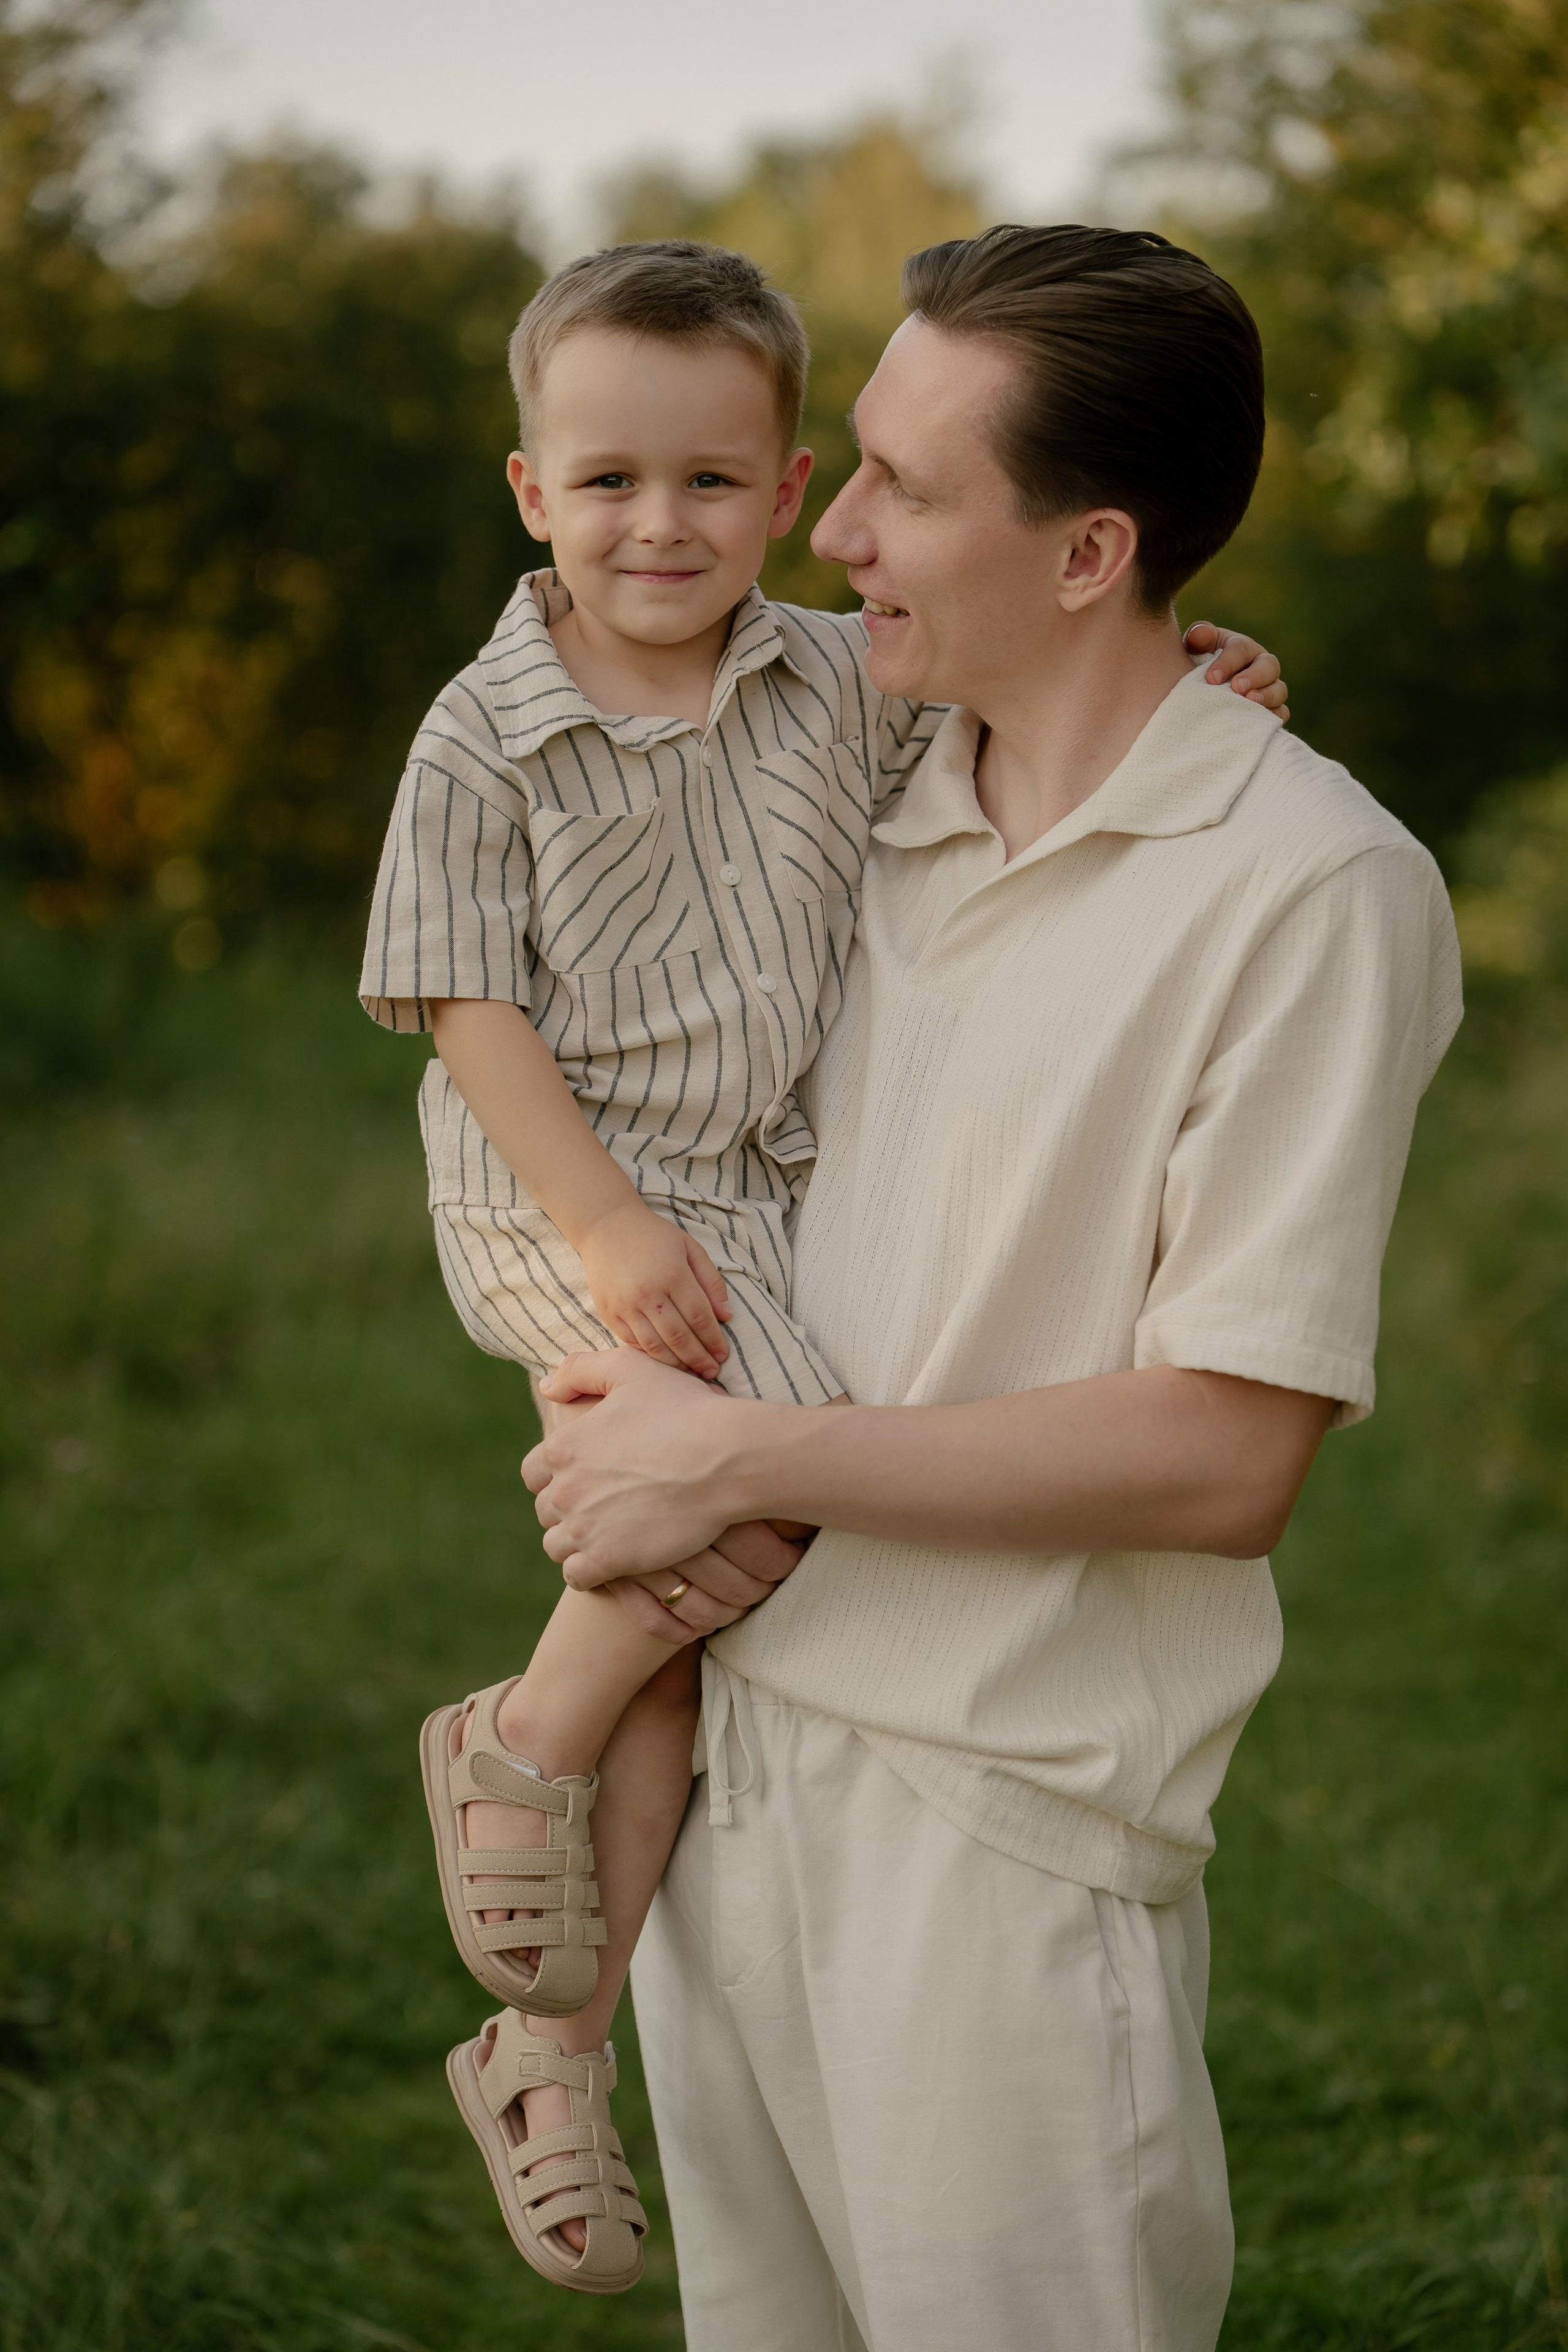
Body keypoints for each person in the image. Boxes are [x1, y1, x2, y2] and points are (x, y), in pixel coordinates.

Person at [523, 225, 1464, 2351]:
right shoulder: (829, 797)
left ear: (1088, 549)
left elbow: (1230, 1452)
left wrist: (731, 1456)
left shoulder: (1313, 890)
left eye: (904, 492)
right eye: (845, 462)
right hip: (723, 1762)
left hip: (999, 1838)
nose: (825, 528)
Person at [358, 236, 1287, 2297]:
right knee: (752, 1502)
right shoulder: (486, 729)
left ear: (778, 497)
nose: (658, 523)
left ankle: (550, 2037)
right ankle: (517, 1739)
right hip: (576, 1190)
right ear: (529, 490)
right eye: (605, 482)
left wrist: (1187, 680)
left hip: (743, 1197)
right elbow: (453, 996)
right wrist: (601, 1221)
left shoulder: (823, 684)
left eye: (716, 482)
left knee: (699, 1601)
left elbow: (1017, 740)